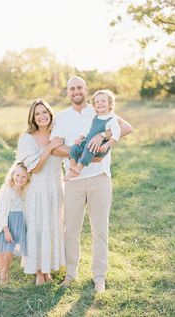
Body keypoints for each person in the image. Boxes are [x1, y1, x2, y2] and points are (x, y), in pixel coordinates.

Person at [51, 76, 132, 293]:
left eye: (79, 87)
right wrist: (83, 153)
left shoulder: (99, 109)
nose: (76, 91)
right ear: (67, 92)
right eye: (72, 88)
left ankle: (99, 277)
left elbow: (126, 128)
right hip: (74, 181)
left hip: (100, 178)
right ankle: (71, 273)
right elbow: (55, 148)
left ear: (86, 90)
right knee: (71, 230)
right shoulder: (61, 117)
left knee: (100, 230)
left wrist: (103, 137)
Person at [16, 99, 65, 286]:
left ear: (50, 113)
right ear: (33, 118)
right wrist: (50, 147)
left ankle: (48, 269)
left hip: (55, 189)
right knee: (36, 229)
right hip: (36, 191)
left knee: (52, 228)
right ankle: (38, 271)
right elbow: (34, 167)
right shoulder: (27, 138)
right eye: (38, 114)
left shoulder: (58, 134)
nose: (42, 116)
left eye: (45, 112)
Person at [0, 161, 29, 284]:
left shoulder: (25, 191)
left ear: (27, 179)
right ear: (12, 174)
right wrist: (6, 230)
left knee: (9, 250)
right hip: (5, 223)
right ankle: (3, 274)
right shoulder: (7, 191)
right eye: (17, 175)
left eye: (23, 177)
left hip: (17, 224)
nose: (20, 179)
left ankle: (5, 271)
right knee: (2, 250)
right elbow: (2, 212)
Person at [64, 89, 121, 181]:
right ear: (94, 105)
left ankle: (79, 168)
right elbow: (86, 129)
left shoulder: (111, 120)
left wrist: (107, 144)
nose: (100, 103)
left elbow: (116, 134)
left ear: (110, 104)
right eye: (97, 102)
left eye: (103, 101)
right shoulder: (94, 118)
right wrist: (80, 137)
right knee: (75, 147)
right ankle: (73, 168)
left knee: (89, 147)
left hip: (100, 146)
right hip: (88, 141)